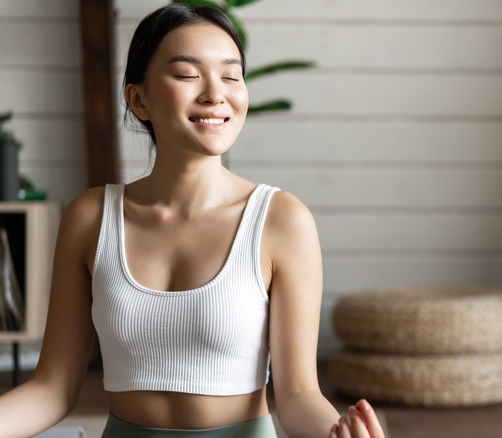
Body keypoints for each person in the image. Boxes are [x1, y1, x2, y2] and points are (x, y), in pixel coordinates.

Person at [0, 4, 385, 437]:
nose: (214, 94)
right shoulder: (90, 217)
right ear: (138, 99)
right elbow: (52, 388)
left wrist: (339, 434)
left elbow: (297, 396)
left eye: (231, 75)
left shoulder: (281, 220)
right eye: (187, 75)